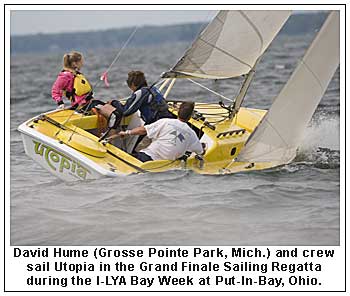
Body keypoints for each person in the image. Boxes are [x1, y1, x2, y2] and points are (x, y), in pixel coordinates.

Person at [117, 102, 204, 162]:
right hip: (163, 165)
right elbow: (200, 151)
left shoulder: (165, 122)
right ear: (190, 117)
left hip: (147, 157)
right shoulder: (191, 133)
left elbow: (143, 130)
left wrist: (126, 132)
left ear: (178, 111)